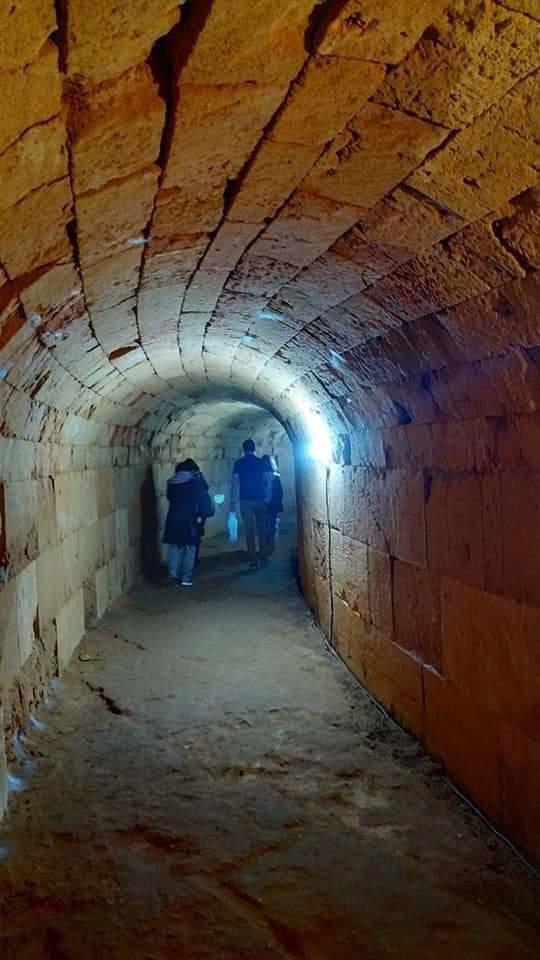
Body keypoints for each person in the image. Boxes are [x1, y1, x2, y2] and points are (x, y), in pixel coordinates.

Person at [163, 459, 213, 586]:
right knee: (189, 547)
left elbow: (170, 497)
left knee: (174, 547)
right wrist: (202, 515)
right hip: (190, 519)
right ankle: (186, 578)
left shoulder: (171, 483)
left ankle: (172, 574)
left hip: (173, 518)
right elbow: (203, 496)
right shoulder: (194, 483)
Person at [230, 439, 272, 570]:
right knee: (262, 529)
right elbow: (268, 481)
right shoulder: (262, 462)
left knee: (249, 531)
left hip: (245, 501)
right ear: (254, 449)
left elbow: (235, 484)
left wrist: (233, 501)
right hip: (260, 500)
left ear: (243, 449)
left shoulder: (239, 463)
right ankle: (264, 556)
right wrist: (267, 497)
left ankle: (253, 560)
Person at [261, 455, 283, 553]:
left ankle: (268, 544)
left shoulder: (262, 476)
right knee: (270, 524)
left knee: (267, 524)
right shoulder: (275, 476)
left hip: (268, 503)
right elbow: (280, 492)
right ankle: (270, 544)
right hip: (272, 503)